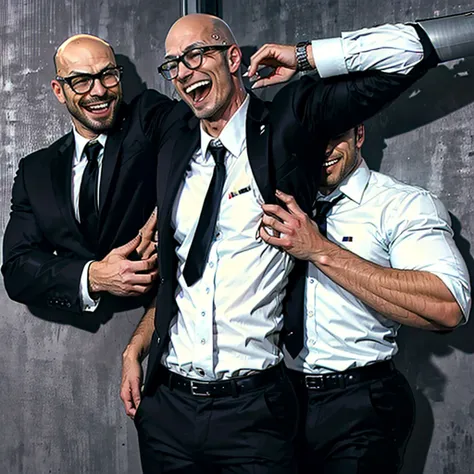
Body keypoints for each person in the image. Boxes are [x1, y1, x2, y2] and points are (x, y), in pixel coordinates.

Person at [116, 11, 471, 473]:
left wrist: (306, 56)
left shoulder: (289, 124)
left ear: (232, 56)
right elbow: (185, 282)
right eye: (173, 64)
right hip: (170, 409)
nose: (183, 70)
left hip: (259, 410)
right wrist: (136, 347)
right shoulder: (175, 141)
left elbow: (409, 57)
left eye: (197, 54)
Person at [259, 123, 471, 473]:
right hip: (279, 401)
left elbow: (449, 305)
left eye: (334, 136)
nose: (323, 149)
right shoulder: (284, 204)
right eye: (312, 139)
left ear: (358, 134)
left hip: (360, 406)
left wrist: (320, 250)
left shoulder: (401, 204)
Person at [2, 34, 186, 320]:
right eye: (81, 81)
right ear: (59, 90)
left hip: (164, 319)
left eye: (108, 75)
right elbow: (16, 269)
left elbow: (196, 123)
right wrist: (93, 277)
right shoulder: (34, 171)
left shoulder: (147, 116)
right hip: (74, 343)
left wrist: (167, 216)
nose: (99, 90)